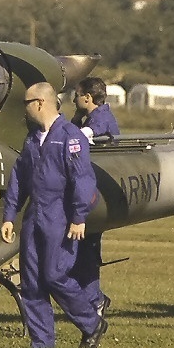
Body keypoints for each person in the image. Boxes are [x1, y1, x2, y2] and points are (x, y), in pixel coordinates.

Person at [0, 82, 108, 348]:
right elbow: (19, 178)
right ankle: (42, 343)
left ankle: (91, 323)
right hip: (34, 216)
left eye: (26, 103)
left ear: (39, 103)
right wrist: (9, 214)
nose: (23, 110)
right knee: (31, 281)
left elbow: (83, 180)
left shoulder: (71, 137)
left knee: (55, 275)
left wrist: (79, 217)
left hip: (59, 217)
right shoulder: (32, 139)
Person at [70, 76, 120, 321]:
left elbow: (83, 136)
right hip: (88, 191)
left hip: (93, 192)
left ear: (87, 98)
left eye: (76, 95)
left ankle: (95, 300)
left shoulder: (100, 119)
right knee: (81, 251)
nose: (74, 99)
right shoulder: (89, 117)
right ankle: (93, 298)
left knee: (87, 251)